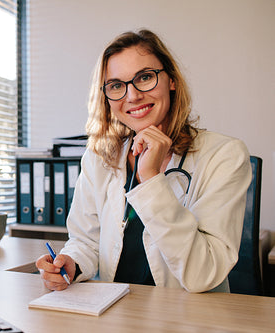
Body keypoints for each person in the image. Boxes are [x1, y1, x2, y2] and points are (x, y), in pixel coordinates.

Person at [35, 29, 252, 293]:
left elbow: (202, 274)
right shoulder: (100, 157)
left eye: (145, 77)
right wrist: (71, 264)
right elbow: (85, 241)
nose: (132, 95)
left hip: (190, 318)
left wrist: (150, 178)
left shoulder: (224, 155)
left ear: (171, 80)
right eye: (116, 85)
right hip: (114, 313)